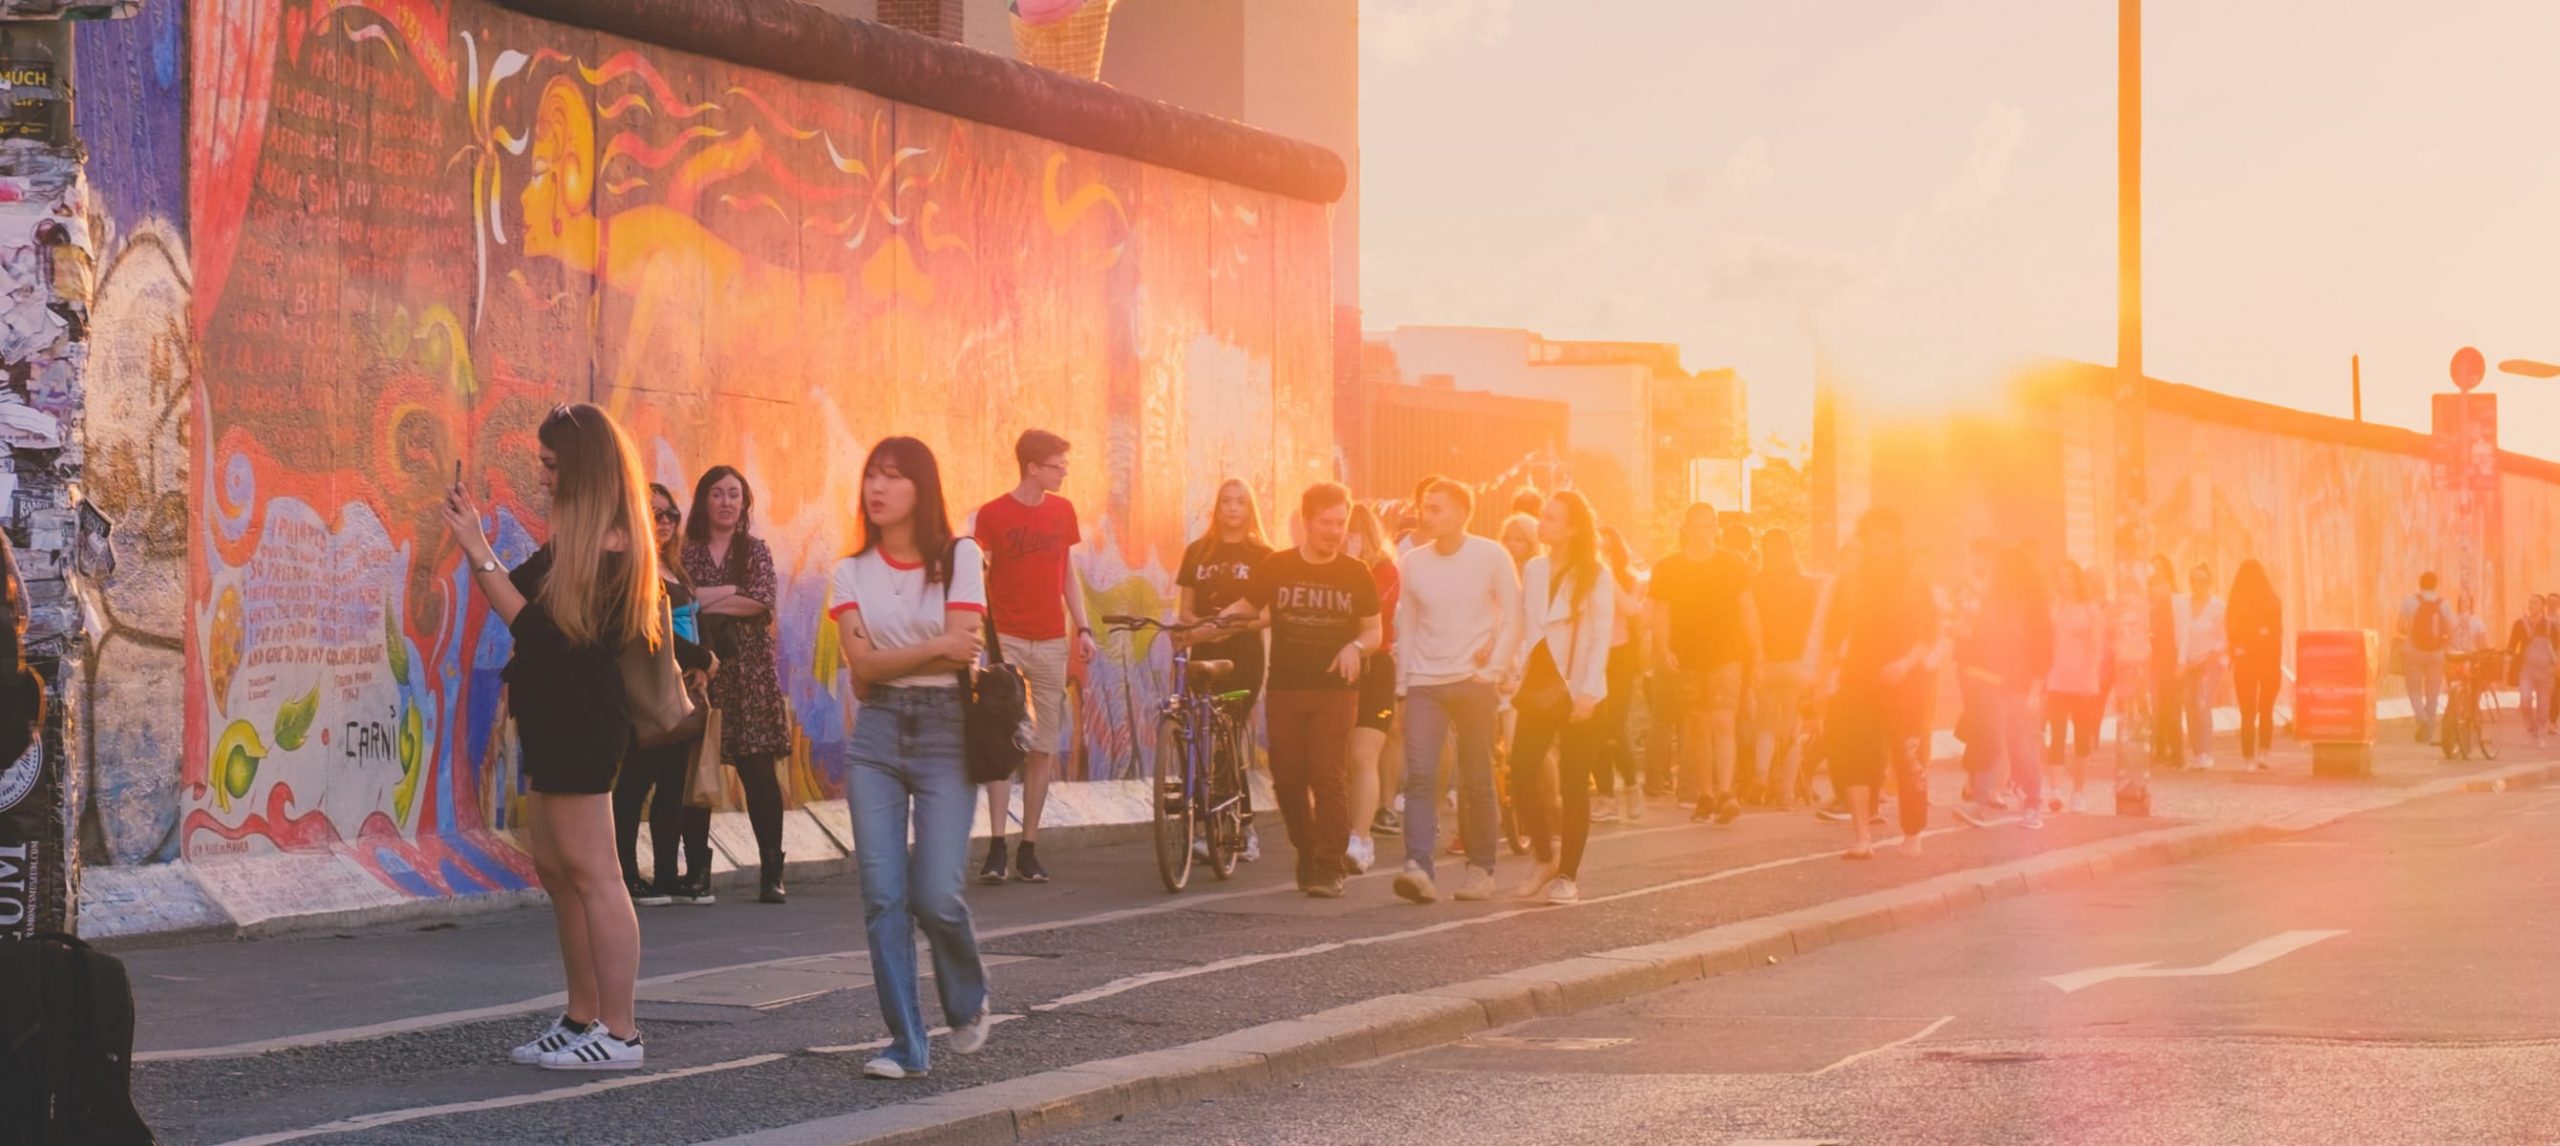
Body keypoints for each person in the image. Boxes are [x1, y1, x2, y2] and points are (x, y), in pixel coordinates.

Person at [445, 402, 657, 1070]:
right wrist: (478, 545)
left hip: (585, 722)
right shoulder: (574, 540)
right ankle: (581, 1015)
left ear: (583, 468)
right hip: (551, 716)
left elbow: (537, 628)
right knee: (560, 874)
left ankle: (621, 1033)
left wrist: (478, 550)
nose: (541, 477)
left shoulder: (616, 545)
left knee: (596, 874)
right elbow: (525, 598)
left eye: (551, 465)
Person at [829, 436, 995, 1081]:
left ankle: (967, 997)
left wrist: (892, 658)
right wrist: (935, 647)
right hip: (876, 736)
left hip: (948, 732)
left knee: (936, 893)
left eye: (894, 477)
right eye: (872, 474)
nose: (878, 487)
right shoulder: (850, 572)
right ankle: (906, 1043)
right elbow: (865, 670)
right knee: (882, 896)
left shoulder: (960, 557)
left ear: (921, 489)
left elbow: (964, 653)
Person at [1223, 482, 1381, 899]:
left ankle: (1330, 866)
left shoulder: (1355, 572)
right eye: (1326, 523)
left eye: (1340, 523)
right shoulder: (1278, 566)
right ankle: (1308, 850)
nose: (1335, 531)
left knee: (1327, 774)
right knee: (1288, 779)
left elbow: (1374, 631)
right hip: (1286, 687)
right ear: (1307, 522)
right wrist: (1206, 624)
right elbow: (1247, 607)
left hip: (1336, 691)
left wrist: (1356, 646)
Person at [973, 429, 1097, 886]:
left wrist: (1081, 627)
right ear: (1032, 467)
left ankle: (1029, 846)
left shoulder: (1063, 512)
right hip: (1006, 640)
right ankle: (996, 846)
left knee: (1043, 745)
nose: (1064, 471)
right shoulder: (993, 514)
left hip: (1051, 641)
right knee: (1003, 745)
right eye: (1057, 465)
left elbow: (1067, 575)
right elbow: (977, 571)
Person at [1388, 478, 1520, 904]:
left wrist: (1495, 667)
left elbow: (1515, 615)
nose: (1427, 515)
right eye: (1424, 507)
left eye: (1437, 508)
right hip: (1426, 683)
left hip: (1473, 682)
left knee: (1477, 776)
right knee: (1421, 775)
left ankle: (1481, 869)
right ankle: (1418, 869)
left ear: (1463, 513)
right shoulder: (1414, 562)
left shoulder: (1491, 555)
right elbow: (1405, 625)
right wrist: (1403, 685)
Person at [683, 466, 792, 903]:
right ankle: (697, 873)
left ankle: (771, 872)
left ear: (745, 503)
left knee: (759, 774)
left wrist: (711, 598)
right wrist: (732, 592)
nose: (727, 502)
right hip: (703, 672)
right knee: (699, 772)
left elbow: (761, 599)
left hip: (751, 675)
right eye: (717, 494)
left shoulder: (756, 550)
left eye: (734, 494)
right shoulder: (687, 553)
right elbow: (681, 599)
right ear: (703, 501)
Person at [1506, 491, 1615, 904]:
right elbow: (1520, 624)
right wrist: (1505, 668)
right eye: (1543, 517)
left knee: (1573, 784)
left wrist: (1587, 693)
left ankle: (1567, 875)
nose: (1542, 523)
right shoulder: (1534, 569)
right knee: (1520, 772)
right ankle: (1545, 856)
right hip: (1538, 688)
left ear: (1571, 527)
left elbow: (1600, 636)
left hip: (1579, 691)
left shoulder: (1595, 573)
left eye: (1551, 518)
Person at [614, 484, 719, 906]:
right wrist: (702, 657)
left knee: (674, 786)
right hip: (651, 691)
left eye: (670, 515)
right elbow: (655, 630)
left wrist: (706, 665)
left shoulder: (676, 569)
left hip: (684, 691)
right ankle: (625, 875)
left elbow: (698, 620)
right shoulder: (636, 570)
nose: (664, 523)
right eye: (654, 514)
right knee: (635, 784)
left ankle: (665, 874)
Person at [1815, 510, 1938, 860]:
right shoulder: (1851, 582)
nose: (1877, 547)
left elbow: (1928, 635)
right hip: (1858, 676)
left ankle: (1912, 831)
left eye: (1883, 539)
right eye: (1870, 539)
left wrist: (1903, 664)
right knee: (1852, 754)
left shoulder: (1914, 582)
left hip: (1904, 681)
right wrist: (1821, 682)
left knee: (1907, 757)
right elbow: (1832, 635)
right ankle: (1862, 836)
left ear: (1897, 542)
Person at [1175, 478, 1271, 862]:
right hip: (1203, 649)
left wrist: (1231, 627)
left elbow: (1267, 615)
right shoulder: (1197, 551)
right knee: (1200, 736)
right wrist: (1203, 632)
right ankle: (1211, 824)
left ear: (1250, 509)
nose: (1232, 508)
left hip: (1243, 654)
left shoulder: (1264, 554)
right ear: (1216, 508)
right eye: (1226, 502)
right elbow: (1184, 610)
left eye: (1241, 502)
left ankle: (1240, 827)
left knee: (1227, 733)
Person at [1650, 503, 1761, 824]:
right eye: (1695, 525)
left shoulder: (1732, 564)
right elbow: (1661, 611)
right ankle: (1705, 793)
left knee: (1723, 720)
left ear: (1715, 528)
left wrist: (1758, 653)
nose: (1701, 532)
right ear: (1685, 528)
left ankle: (1726, 792)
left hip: (1727, 655)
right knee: (1696, 726)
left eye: (1707, 525)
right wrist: (1662, 647)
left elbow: (1747, 608)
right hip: (1687, 656)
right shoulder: (1669, 567)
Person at [1957, 546, 2053, 830]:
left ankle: (2033, 801)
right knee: (1991, 742)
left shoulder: (2034, 607)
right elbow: (1979, 640)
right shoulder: (1993, 604)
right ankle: (1982, 801)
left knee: (2021, 746)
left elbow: (2043, 648)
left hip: (2022, 686)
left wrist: (2036, 688)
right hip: (1993, 683)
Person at [1341, 503, 1401, 875]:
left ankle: (1361, 839)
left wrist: (1351, 566)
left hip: (1374, 669)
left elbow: (1370, 613)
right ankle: (1343, 832)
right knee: (1338, 760)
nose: (1343, 540)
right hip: (1332, 669)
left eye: (1351, 533)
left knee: (1364, 756)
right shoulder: (1322, 568)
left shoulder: (1384, 570)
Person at [1750, 528, 1818, 811]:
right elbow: (1813, 626)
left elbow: (1751, 623)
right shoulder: (1805, 586)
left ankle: (1762, 775)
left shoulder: (1756, 584)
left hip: (1766, 662)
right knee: (1792, 727)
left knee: (1765, 724)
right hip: (1796, 662)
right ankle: (1788, 791)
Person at [1591, 526, 1646, 822]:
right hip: (1592, 656)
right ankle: (1606, 797)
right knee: (1595, 727)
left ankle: (1631, 788)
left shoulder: (1628, 580)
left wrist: (1606, 575)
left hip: (1620, 655)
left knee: (1615, 725)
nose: (1602, 554)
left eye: (1607, 548)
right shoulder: (1582, 576)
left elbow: (1631, 609)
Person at [2045, 560, 2108, 809]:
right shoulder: (2053, 608)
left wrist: (2091, 677)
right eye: (2060, 576)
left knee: (2083, 739)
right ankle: (2056, 790)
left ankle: (2079, 791)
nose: (2064, 581)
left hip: (2082, 682)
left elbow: (2097, 648)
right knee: (2057, 734)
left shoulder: (2091, 610)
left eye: (2069, 577)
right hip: (2056, 680)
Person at [2226, 560, 2283, 772]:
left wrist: (2240, 646)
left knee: (2247, 712)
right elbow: (2276, 633)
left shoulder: (2236, 602)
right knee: (2265, 709)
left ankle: (2249, 757)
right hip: (2268, 661)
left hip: (2245, 661)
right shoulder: (2272, 600)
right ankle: (2264, 753)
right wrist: (2262, 633)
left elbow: (2232, 632)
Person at [2399, 571, 2450, 745]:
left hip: (2414, 651)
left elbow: (2400, 627)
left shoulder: (2409, 601)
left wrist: (2410, 633)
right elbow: (2450, 629)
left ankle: (2421, 718)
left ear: (2420, 584)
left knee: (2413, 690)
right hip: (2436, 653)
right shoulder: (2444, 604)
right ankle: (2429, 730)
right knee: (2433, 693)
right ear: (2435, 584)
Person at [2147, 555, 2186, 771]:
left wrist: (2181, 661)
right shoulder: (2145, 601)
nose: (2157, 574)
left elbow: (2184, 632)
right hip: (2150, 661)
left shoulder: (2177, 601)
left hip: (2170, 659)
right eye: (2154, 570)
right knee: (2155, 708)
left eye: (2161, 570)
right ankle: (2159, 750)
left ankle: (2177, 754)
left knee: (2171, 708)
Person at [2510, 595, 2557, 745]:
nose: (2532, 605)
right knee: (2525, 701)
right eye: (2530, 603)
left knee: (2543, 705)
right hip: (2527, 669)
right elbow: (2511, 644)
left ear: (2542, 605)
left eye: (2535, 603)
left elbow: (2557, 647)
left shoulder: (2550, 625)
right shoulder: (2519, 624)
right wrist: (2509, 655)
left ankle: (2541, 734)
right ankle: (2530, 728)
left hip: (2546, 669)